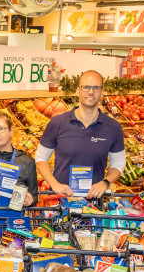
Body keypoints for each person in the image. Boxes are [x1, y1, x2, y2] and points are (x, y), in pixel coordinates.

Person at [35, 70, 126, 200]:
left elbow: (118, 164)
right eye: (86, 87)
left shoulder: (113, 127)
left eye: (96, 88)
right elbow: (40, 158)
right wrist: (54, 184)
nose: (90, 92)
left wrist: (105, 183)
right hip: (60, 200)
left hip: (92, 203)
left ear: (102, 92)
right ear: (78, 91)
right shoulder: (57, 122)